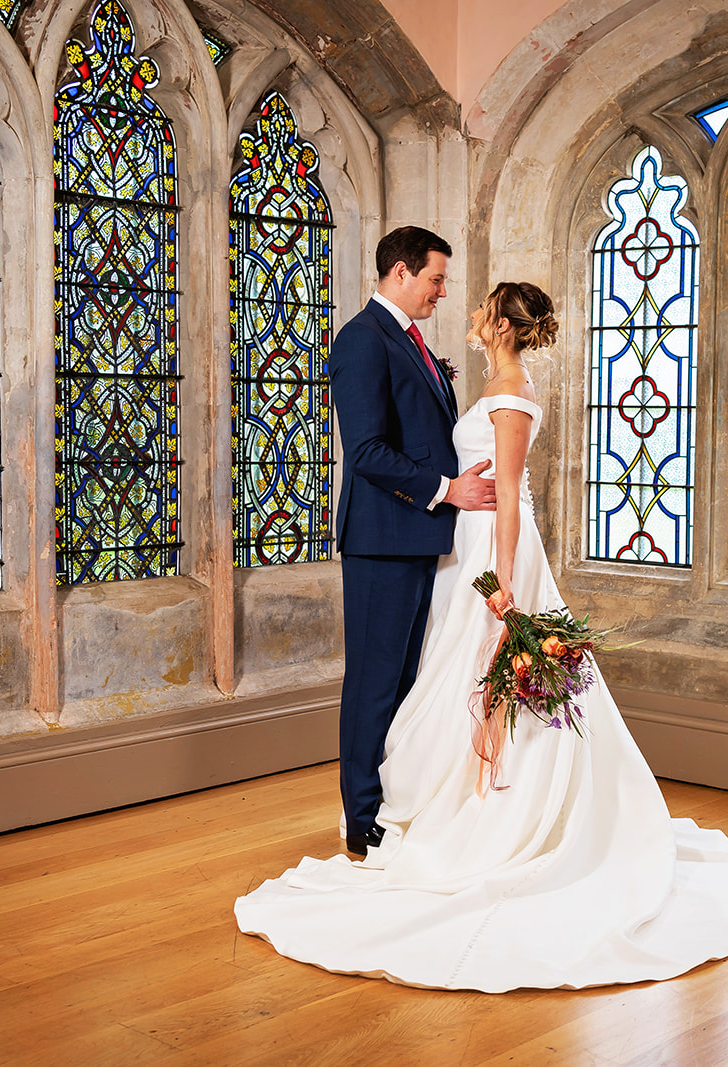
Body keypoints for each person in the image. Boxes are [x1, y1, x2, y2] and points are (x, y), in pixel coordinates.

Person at [236, 282, 728, 993]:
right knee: (443, 678)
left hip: (493, 548)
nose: (458, 306)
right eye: (437, 281)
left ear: (500, 323)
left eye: (478, 304)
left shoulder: (513, 390)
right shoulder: (491, 379)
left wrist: (504, 584)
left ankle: (494, 817)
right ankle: (426, 807)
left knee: (476, 676)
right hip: (460, 541)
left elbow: (513, 490)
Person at [326, 227, 495, 858]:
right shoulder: (362, 341)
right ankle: (360, 818)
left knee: (404, 683)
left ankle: (393, 802)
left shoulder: (409, 340)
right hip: (382, 540)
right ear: (401, 273)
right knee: (373, 682)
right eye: (435, 278)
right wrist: (447, 490)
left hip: (418, 538)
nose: (442, 291)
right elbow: (368, 452)